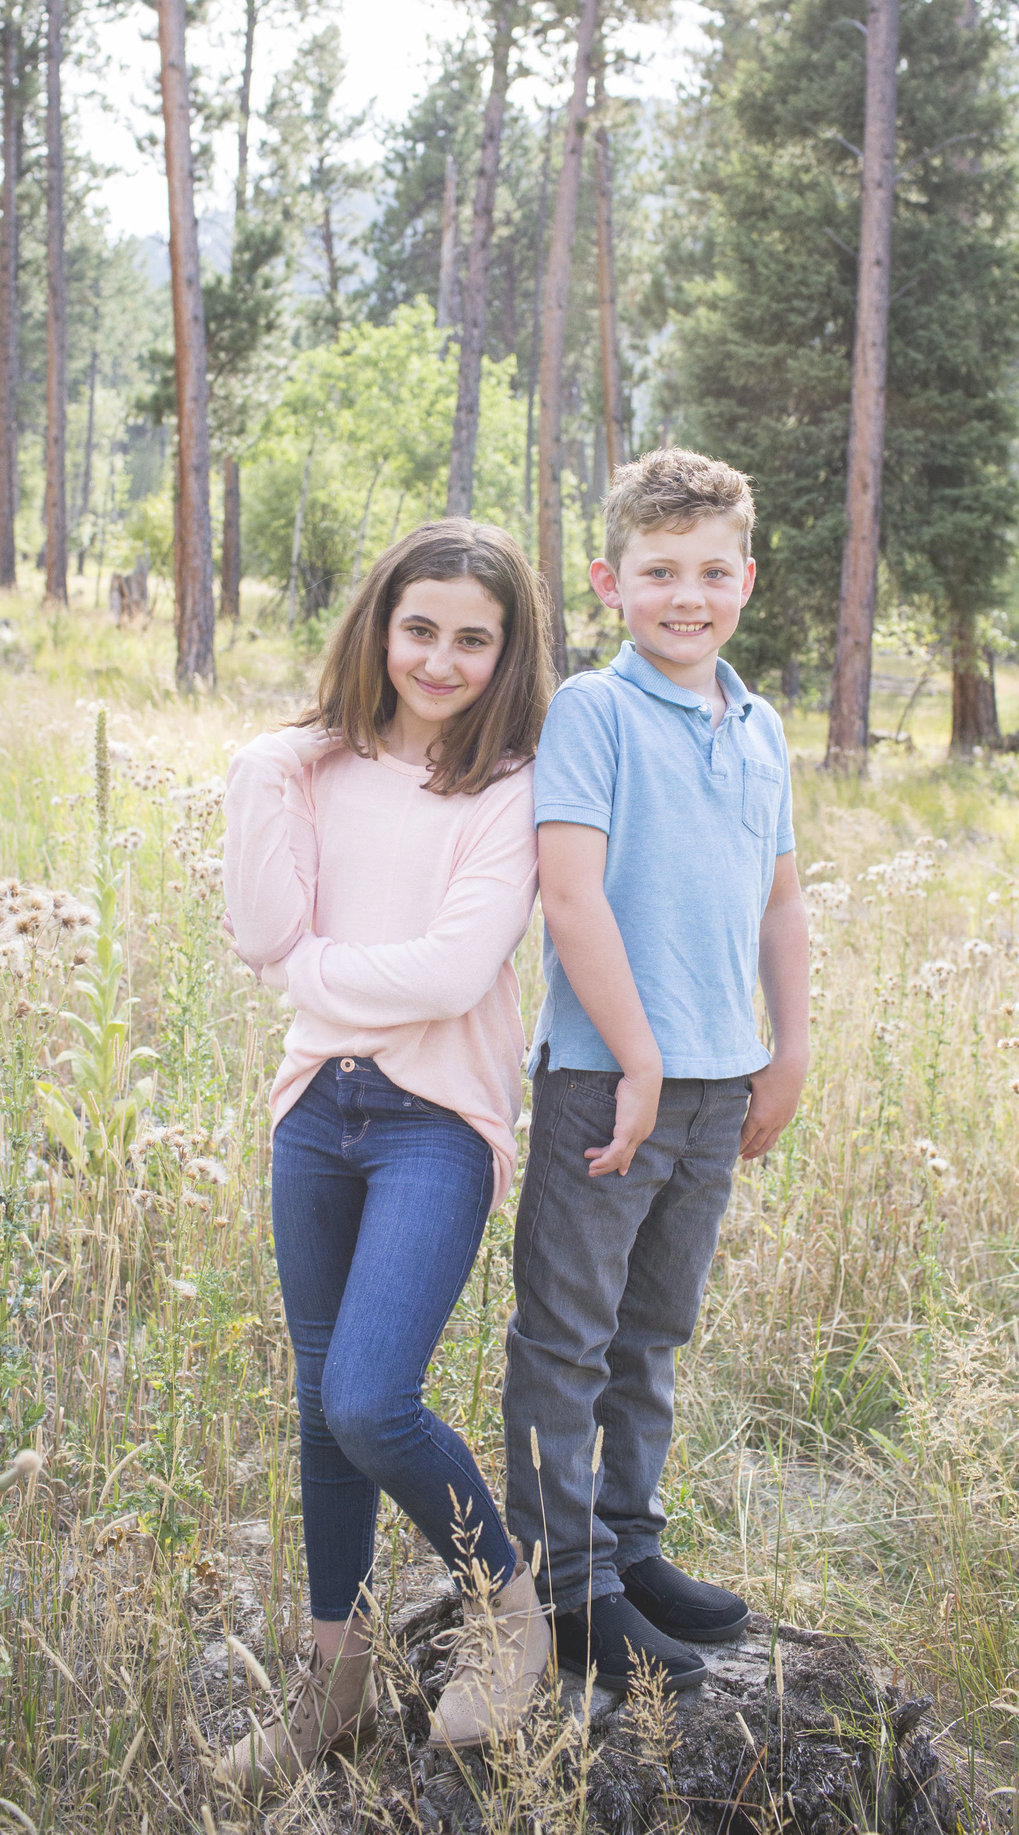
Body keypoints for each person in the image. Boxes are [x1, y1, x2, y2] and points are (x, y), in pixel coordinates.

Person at [219, 521, 555, 1793]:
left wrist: (311, 972)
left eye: (475, 637)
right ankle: (333, 1678)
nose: (443, 657)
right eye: (421, 627)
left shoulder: (511, 784)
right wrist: (269, 759)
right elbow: (260, 926)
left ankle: (505, 1600)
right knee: (318, 1406)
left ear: (508, 650)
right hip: (315, 1113)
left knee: (368, 1395)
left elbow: (453, 973)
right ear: (380, 624)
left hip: (435, 1123)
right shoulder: (309, 771)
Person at [503, 449, 810, 1695]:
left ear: (748, 577)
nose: (687, 594)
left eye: (711, 571)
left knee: (654, 1331)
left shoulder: (762, 723)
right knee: (568, 1338)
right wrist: (638, 1056)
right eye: (658, 570)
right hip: (606, 1079)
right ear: (609, 578)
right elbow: (571, 896)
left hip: (718, 1081)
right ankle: (565, 1583)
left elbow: (780, 901)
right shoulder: (594, 710)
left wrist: (787, 1046)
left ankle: (630, 1546)